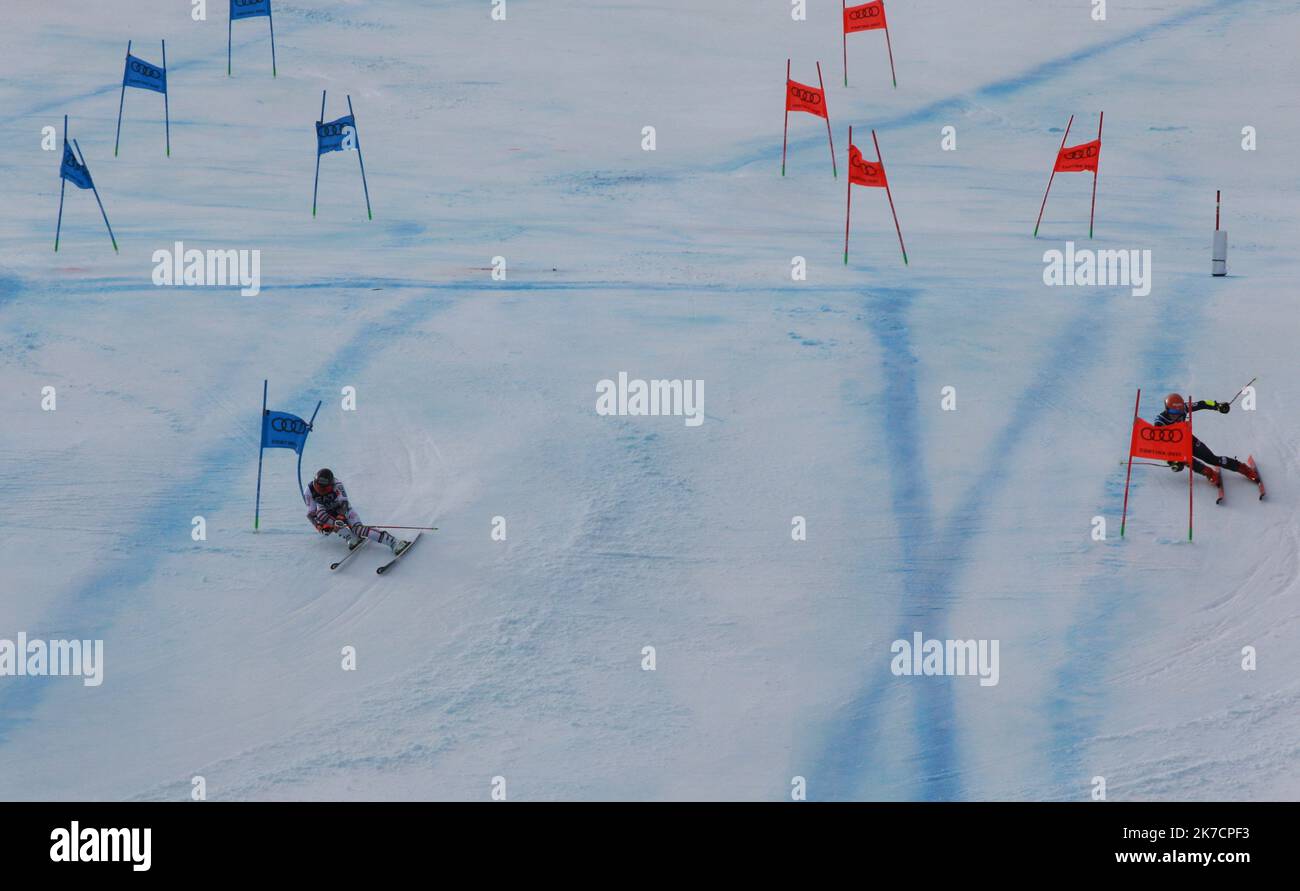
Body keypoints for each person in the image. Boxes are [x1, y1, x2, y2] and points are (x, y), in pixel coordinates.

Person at [1154, 393, 1259, 486]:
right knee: (1186, 460)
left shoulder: (1184, 407)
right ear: (1166, 409)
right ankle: (1209, 473)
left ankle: (1242, 468)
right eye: (1172, 411)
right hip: (1174, 448)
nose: (1176, 414)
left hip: (1188, 439)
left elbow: (1202, 403)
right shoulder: (1160, 422)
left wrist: (1217, 406)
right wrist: (1172, 462)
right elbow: (1160, 445)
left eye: (1179, 411)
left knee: (1212, 459)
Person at [304, 468, 410, 554]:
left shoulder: (337, 484)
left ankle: (394, 542)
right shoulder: (309, 490)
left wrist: (340, 517)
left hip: (344, 510)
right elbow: (311, 513)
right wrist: (319, 526)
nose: (321, 491)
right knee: (321, 515)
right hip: (328, 513)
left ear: (331, 485)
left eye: (325, 490)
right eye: (318, 488)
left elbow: (344, 503)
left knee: (358, 530)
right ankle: (351, 537)